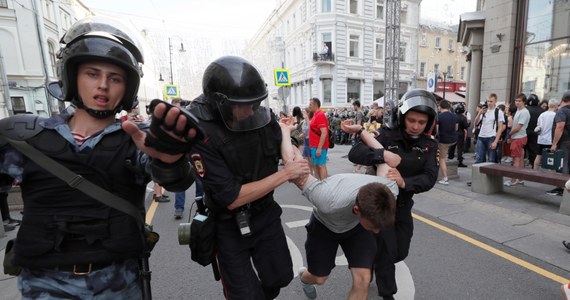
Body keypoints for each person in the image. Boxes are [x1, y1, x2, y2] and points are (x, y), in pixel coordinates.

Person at [0, 16, 198, 299]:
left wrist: (170, 158)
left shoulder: (137, 139)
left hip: (118, 287)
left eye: (115, 78)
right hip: (42, 287)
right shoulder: (24, 138)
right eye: (92, 74)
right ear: (72, 76)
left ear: (127, 88)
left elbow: (176, 181)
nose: (103, 85)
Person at [187, 56, 309, 300]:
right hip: (228, 225)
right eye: (242, 105)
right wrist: (285, 174)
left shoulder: (260, 116)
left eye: (254, 104)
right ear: (219, 103)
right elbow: (231, 197)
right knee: (244, 295)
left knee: (281, 277)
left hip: (265, 215)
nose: (250, 110)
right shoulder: (201, 132)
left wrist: (289, 140)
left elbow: (286, 148)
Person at [278, 116, 400, 300]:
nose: (377, 230)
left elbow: (383, 158)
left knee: (363, 280)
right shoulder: (327, 199)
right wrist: (285, 131)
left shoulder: (390, 189)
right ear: (357, 210)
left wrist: (361, 132)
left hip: (356, 229)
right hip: (325, 226)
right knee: (319, 278)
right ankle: (305, 278)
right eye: (374, 226)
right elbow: (291, 162)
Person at [347, 89, 439, 299]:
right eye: (412, 120)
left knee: (400, 251)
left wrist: (404, 181)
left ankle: (369, 262)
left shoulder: (429, 145)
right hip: (379, 205)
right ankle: (388, 294)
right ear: (402, 116)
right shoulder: (386, 135)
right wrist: (382, 153)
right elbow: (355, 153)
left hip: (404, 206)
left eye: (421, 122)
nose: (416, 126)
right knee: (387, 253)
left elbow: (429, 177)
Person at [504, 93, 530, 186]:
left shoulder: (524, 112)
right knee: (520, 158)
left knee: (516, 159)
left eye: (519, 101)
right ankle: (520, 178)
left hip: (518, 137)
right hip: (519, 137)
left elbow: (518, 127)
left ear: (523, 102)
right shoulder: (519, 111)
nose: (517, 102)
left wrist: (509, 134)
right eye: (516, 100)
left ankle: (514, 179)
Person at [548, 91, 570, 196]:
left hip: (564, 141)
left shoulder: (562, 111)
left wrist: (554, 143)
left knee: (563, 164)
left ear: (562, 100)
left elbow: (560, 127)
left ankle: (562, 188)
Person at [474, 93, 505, 163]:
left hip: (491, 137)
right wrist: (479, 113)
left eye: (491, 101)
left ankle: (490, 174)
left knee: (491, 159)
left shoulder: (498, 112)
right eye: (488, 101)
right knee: (479, 159)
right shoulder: (484, 111)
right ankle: (479, 174)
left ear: (495, 101)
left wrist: (496, 142)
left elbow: (500, 127)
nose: (489, 103)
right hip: (481, 136)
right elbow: (476, 123)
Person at [436, 100, 457, 185]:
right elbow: (456, 128)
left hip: (444, 140)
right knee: (444, 155)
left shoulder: (439, 116)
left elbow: (437, 131)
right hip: (453, 139)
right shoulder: (454, 115)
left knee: (441, 159)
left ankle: (445, 178)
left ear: (440, 106)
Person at [533, 98, 558, 171]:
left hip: (541, 138)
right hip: (550, 139)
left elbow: (538, 126)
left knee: (538, 155)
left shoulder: (542, 115)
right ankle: (549, 173)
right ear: (556, 106)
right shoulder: (555, 115)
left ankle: (535, 171)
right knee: (551, 157)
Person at [309, 97, 330, 180]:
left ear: (315, 105)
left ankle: (324, 184)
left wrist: (319, 148)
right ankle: (320, 184)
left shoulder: (320, 115)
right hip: (315, 145)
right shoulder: (316, 114)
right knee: (316, 165)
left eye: (310, 104)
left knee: (321, 165)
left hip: (319, 146)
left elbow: (324, 132)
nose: (309, 106)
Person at [525, 93, 542, 168]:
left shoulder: (525, 109)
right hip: (535, 133)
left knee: (521, 152)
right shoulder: (541, 111)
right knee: (533, 151)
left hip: (525, 132)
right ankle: (533, 166)